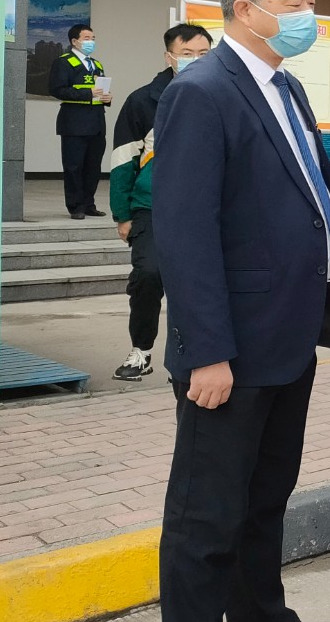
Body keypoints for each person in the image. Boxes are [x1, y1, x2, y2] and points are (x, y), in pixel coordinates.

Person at [151, 0, 330, 622]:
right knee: (205, 521)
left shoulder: (284, 85)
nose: (310, 12)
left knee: (264, 498)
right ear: (247, 9)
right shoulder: (202, 92)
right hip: (229, 353)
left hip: (286, 336)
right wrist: (206, 350)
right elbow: (185, 231)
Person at [109, 23, 211, 381]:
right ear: (169, 57)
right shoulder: (143, 101)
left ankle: (190, 354)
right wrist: (122, 214)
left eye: (203, 54)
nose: (196, 60)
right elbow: (122, 160)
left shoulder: (222, 95)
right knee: (148, 276)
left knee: (197, 284)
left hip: (204, 210)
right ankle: (141, 351)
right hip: (151, 207)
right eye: (187, 54)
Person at [49, 23, 112, 219]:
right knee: (74, 167)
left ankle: (88, 204)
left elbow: (99, 91)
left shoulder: (97, 64)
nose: (91, 42)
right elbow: (57, 89)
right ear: (74, 41)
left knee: (93, 167)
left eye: (93, 38)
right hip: (74, 123)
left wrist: (107, 97)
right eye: (86, 38)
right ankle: (76, 206)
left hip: (96, 123)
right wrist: (88, 93)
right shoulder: (64, 62)